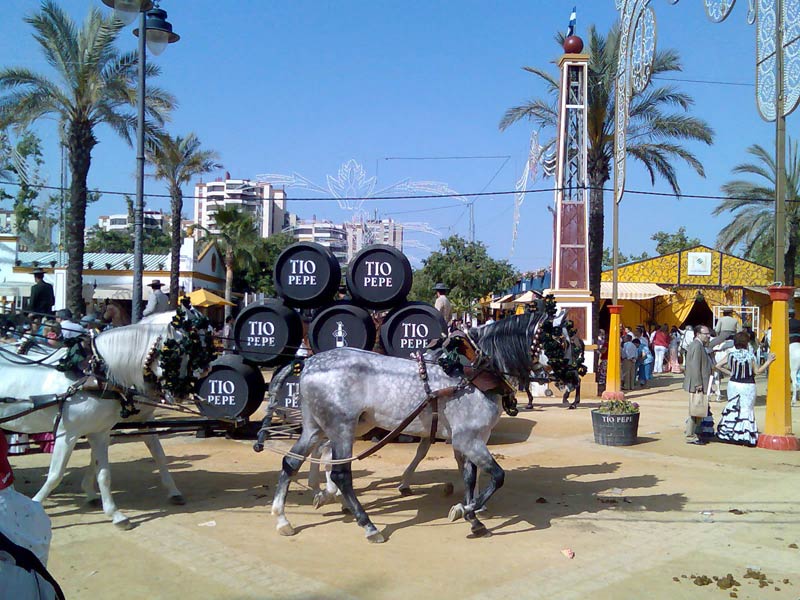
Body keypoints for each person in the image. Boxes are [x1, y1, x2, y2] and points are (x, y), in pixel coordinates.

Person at [714, 332, 774, 447]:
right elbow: (757, 371)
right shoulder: (750, 355)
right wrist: (768, 361)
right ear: (746, 343)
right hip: (747, 385)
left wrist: (731, 373)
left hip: (734, 384)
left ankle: (729, 433)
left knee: (733, 407)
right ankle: (744, 435)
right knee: (746, 409)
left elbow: (718, 366)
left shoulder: (731, 354)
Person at [683, 325, 714, 445]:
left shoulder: (699, 345)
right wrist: (698, 384)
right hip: (698, 384)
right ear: (698, 334)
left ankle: (695, 433)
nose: (708, 336)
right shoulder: (697, 346)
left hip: (700, 382)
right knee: (695, 410)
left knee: (698, 410)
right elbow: (695, 366)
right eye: (705, 333)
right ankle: (691, 435)